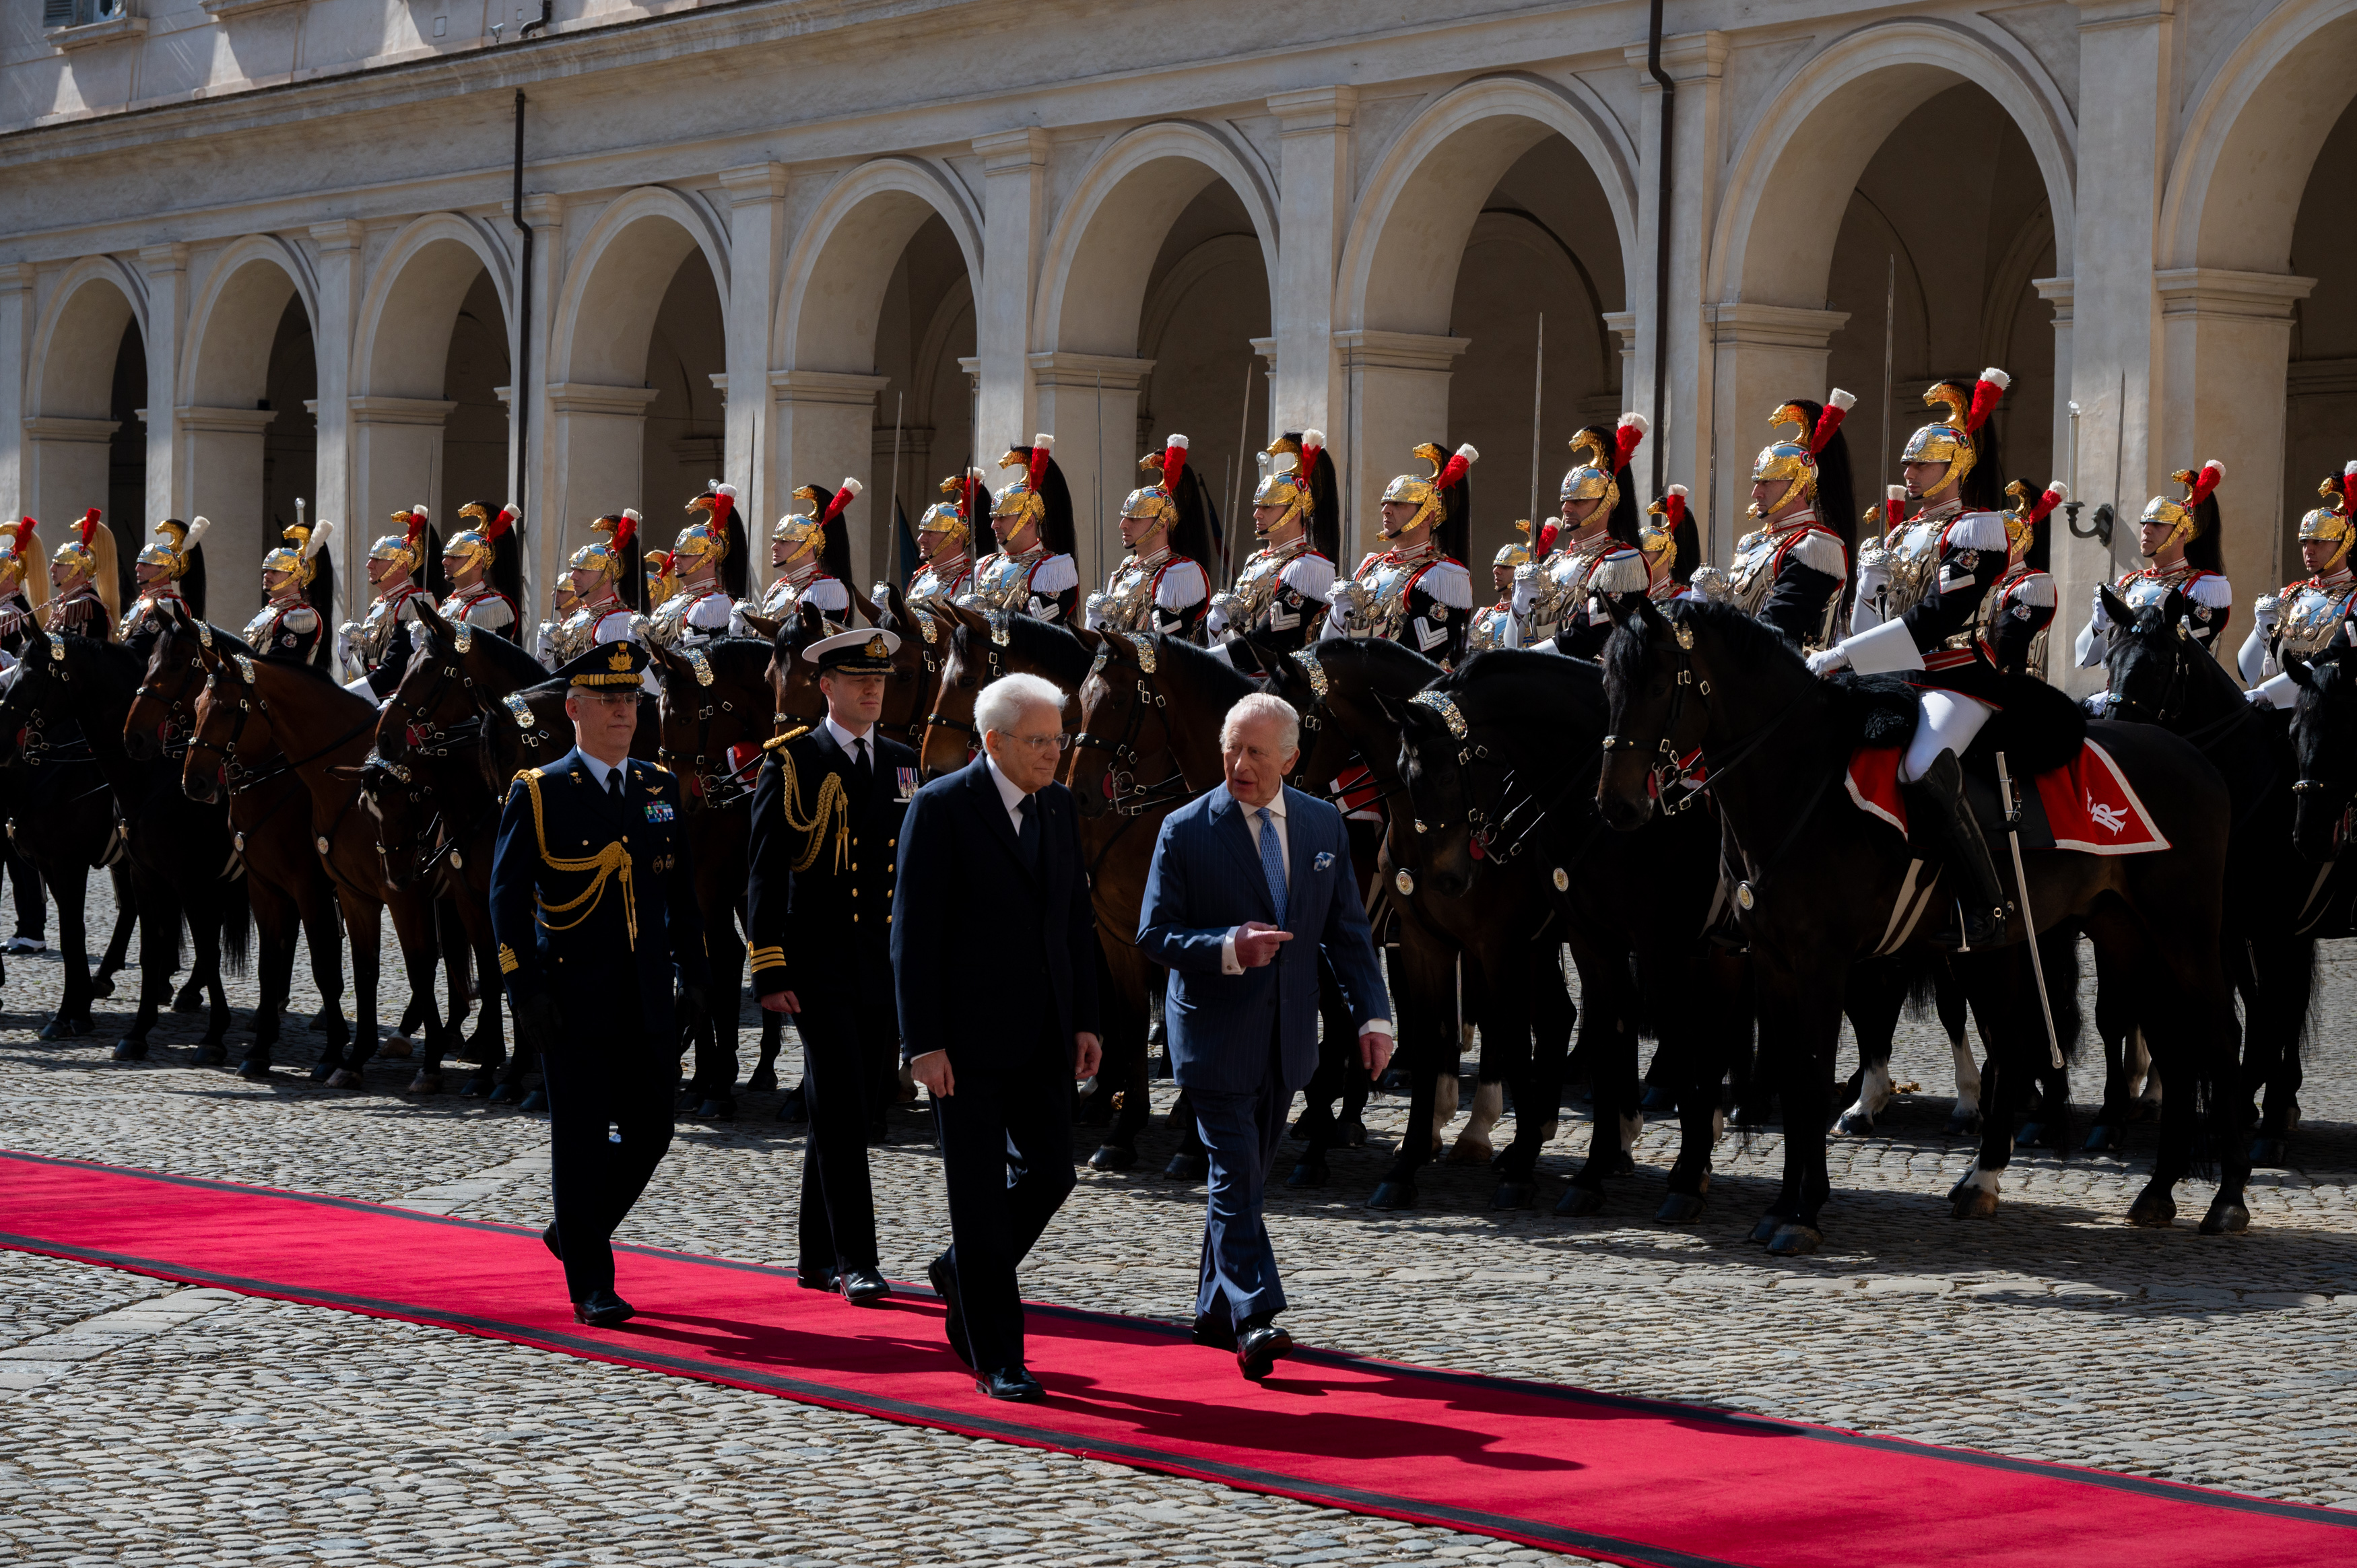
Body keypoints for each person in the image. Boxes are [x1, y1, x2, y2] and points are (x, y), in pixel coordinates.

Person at [1136, 692, 1392, 1379]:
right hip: (1211, 1035)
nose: (1239, 763)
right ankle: (1255, 1316)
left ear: (1290, 757)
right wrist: (1227, 946)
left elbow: (1345, 931)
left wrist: (1373, 1015)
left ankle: (1213, 1312)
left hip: (1286, 1039)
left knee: (1244, 1177)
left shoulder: (1318, 825)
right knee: (1233, 1173)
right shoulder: (1185, 829)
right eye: (1230, 748)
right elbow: (1154, 933)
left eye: (1254, 751)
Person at [892, 671, 1100, 1402]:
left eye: (1058, 738)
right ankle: (996, 1355)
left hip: (1043, 1032)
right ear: (993, 742)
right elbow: (912, 936)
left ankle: (957, 1269)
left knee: (1051, 1175)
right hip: (964, 1043)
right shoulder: (941, 807)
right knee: (978, 1199)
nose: (1053, 753)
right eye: (1039, 741)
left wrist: (1084, 1019)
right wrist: (922, 1042)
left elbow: (1074, 920)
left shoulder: (1058, 807)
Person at [490, 639, 710, 1326]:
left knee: (652, 1130)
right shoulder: (542, 789)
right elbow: (505, 897)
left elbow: (680, 895)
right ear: (574, 708)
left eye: (631, 701)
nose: (624, 713)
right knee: (580, 1137)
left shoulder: (656, 786)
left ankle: (574, 1227)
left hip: (645, 992)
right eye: (610, 701)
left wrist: (697, 977)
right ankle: (592, 1281)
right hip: (571, 993)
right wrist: (522, 987)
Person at [1805, 370, 2016, 945]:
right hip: (1899, 676)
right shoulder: (1900, 536)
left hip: (1960, 678)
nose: (1908, 473)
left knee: (1921, 765)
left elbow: (1936, 620)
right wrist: (1863, 606)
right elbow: (1874, 624)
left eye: (1920, 465)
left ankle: (1988, 903)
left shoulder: (1978, 529)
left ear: (1954, 467)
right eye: (1908, 464)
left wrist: (1843, 656)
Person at [748, 627, 919, 1307]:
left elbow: (911, 869)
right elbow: (762, 872)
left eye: (879, 680)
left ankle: (814, 1254)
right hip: (816, 963)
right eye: (856, 680)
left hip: (880, 964)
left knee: (849, 1103)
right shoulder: (793, 762)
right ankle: (858, 1258)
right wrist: (768, 966)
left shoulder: (904, 761)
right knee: (845, 1106)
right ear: (826, 687)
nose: (872, 690)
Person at [1696, 394, 1855, 651]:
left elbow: (1777, 626)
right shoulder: (1753, 542)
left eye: (1767, 483)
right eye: (1757, 482)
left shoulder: (1814, 546)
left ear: (1801, 489)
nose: (1756, 493)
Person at [1322, 441, 1476, 669]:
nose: (1386, 509)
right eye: (1386, 503)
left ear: (1427, 517)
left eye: (1399, 504)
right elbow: (1326, 647)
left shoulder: (1441, 577)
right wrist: (1336, 618)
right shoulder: (1369, 566)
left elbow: (1417, 660)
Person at [2074, 458, 2233, 672]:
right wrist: (2099, 623)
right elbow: (2086, 659)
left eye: (2157, 524)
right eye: (2144, 524)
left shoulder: (2202, 587)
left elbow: (2185, 658)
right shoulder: (2128, 583)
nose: (2146, 530)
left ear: (2182, 533)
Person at [1513, 417, 1648, 654]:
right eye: (1565, 500)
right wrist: (1516, 611)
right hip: (1533, 676)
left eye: (1579, 501)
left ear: (1608, 503)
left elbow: (1584, 638)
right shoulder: (1554, 562)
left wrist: (1521, 661)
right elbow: (1516, 641)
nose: (1566, 508)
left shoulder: (1619, 563)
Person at [1206, 432, 1335, 660]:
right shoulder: (1255, 561)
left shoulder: (1306, 567)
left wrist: (1205, 661)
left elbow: (1269, 642)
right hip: (1240, 672)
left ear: (1296, 510)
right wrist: (1216, 629)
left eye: (1268, 507)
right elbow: (1239, 633)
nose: (1257, 513)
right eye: (1258, 506)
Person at [2242, 466, 2356, 709]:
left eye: (2319, 542)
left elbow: (2332, 657)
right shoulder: (2292, 594)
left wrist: (2266, 692)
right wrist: (2260, 631)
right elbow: (2247, 673)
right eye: (2305, 542)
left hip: (2333, 715)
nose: (2309, 550)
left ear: (2345, 543)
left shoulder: (2355, 597)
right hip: (2283, 708)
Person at [1086, 434, 1211, 640]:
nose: (1123, 525)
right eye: (1124, 517)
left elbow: (1162, 645)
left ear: (1162, 523)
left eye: (1135, 519)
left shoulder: (1178, 574)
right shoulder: (1123, 571)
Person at [962, 437, 1080, 625]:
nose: (994, 525)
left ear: (1028, 521)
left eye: (1002, 518)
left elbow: (1035, 628)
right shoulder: (986, 564)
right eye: (994, 518)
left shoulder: (1051, 569)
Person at [341, 506, 436, 695]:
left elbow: (397, 667)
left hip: (399, 695)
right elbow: (368, 667)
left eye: (378, 559)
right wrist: (348, 656)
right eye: (370, 558)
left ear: (401, 566)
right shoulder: (378, 603)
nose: (369, 564)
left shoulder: (414, 602)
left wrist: (350, 695)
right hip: (376, 690)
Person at [1978, 479, 2067, 679]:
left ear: (2021, 542)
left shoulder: (2032, 585)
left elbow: (2007, 641)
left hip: (2013, 687)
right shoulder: (1985, 581)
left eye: (2002, 539)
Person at [741, 480, 857, 629]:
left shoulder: (823, 588)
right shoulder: (777, 587)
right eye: (775, 541)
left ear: (809, 547)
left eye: (784, 542)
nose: (774, 547)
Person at [649, 483, 743, 650]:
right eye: (676, 554)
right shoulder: (675, 600)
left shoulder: (713, 604)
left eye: (685, 556)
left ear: (709, 560)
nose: (676, 560)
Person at [547, 510, 644, 667]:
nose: (573, 577)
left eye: (582, 571)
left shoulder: (620, 620)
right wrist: (544, 656)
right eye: (573, 570)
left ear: (607, 573)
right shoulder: (574, 618)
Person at [245, 518, 335, 664]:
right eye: (266, 570)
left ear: (296, 578)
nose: (267, 575)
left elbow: (278, 665)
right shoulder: (271, 611)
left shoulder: (300, 616)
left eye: (275, 571)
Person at [121, 516, 209, 649]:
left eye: (145, 564)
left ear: (164, 568)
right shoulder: (142, 601)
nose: (137, 569)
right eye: (138, 564)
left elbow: (138, 647)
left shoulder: (168, 604)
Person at [905, 471, 985, 609]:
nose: (920, 539)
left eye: (931, 533)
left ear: (956, 540)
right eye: (922, 532)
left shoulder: (971, 579)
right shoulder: (920, 576)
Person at [443, 502, 522, 634]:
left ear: (478, 562)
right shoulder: (450, 600)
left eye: (455, 557)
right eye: (446, 556)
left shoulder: (490, 606)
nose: (445, 562)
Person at [44, 510, 116, 641]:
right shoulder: (71, 601)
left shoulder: (81, 604)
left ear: (78, 573)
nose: (52, 569)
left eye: (59, 564)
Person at [1467, 524, 1534, 654]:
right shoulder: (1482, 615)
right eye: (1496, 566)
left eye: (1506, 567)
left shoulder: (1533, 616)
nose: (1496, 571)